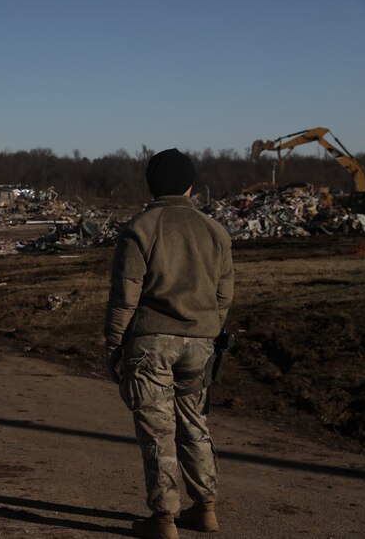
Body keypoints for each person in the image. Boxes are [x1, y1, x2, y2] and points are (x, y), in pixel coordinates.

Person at [104, 149, 234, 539]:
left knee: (158, 432)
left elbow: (125, 294)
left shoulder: (140, 228)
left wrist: (113, 344)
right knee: (195, 424)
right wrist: (208, 329)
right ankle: (206, 508)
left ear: (152, 185)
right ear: (191, 186)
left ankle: (163, 520)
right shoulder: (215, 231)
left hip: (150, 345)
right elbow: (224, 295)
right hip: (201, 344)